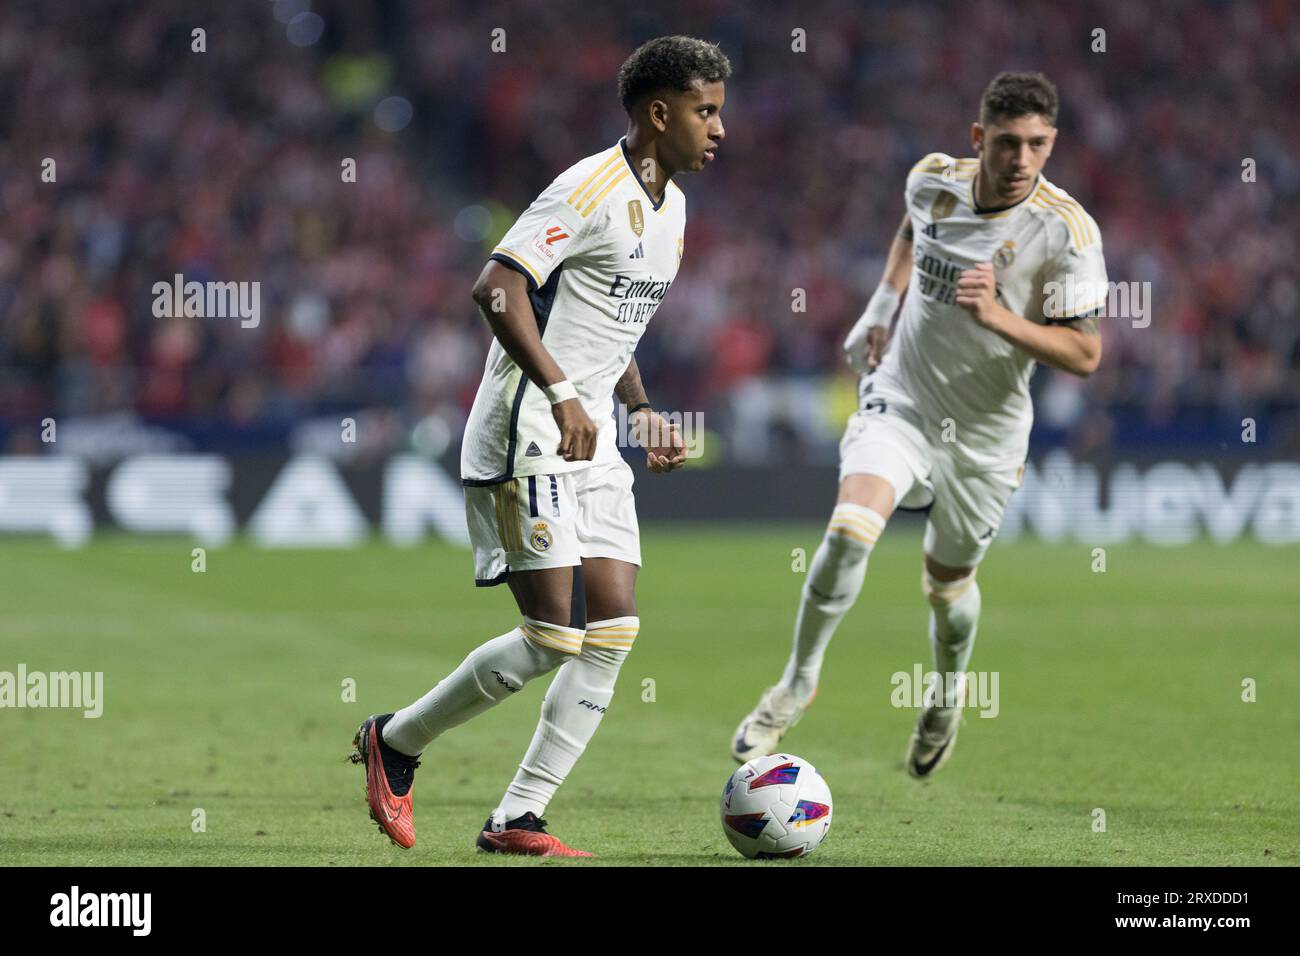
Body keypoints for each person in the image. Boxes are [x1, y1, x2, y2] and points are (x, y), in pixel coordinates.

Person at [351, 35, 729, 856]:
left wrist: (640, 409)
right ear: (658, 114)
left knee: (614, 631)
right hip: (529, 425)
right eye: (705, 112)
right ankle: (397, 741)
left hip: (590, 431)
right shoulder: (585, 189)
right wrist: (560, 393)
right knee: (554, 635)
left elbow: (608, 323)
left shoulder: (675, 208)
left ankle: (519, 816)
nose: (718, 129)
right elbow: (496, 289)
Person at [732, 71, 1107, 778]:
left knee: (947, 589)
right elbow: (913, 228)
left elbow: (1085, 352)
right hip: (903, 398)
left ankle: (945, 695)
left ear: (1051, 142)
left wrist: (998, 316)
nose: (1020, 159)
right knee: (849, 533)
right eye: (1005, 143)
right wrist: (880, 305)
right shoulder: (932, 179)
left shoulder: (1067, 234)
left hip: (989, 432)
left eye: (1035, 144)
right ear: (978, 139)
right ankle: (795, 684)